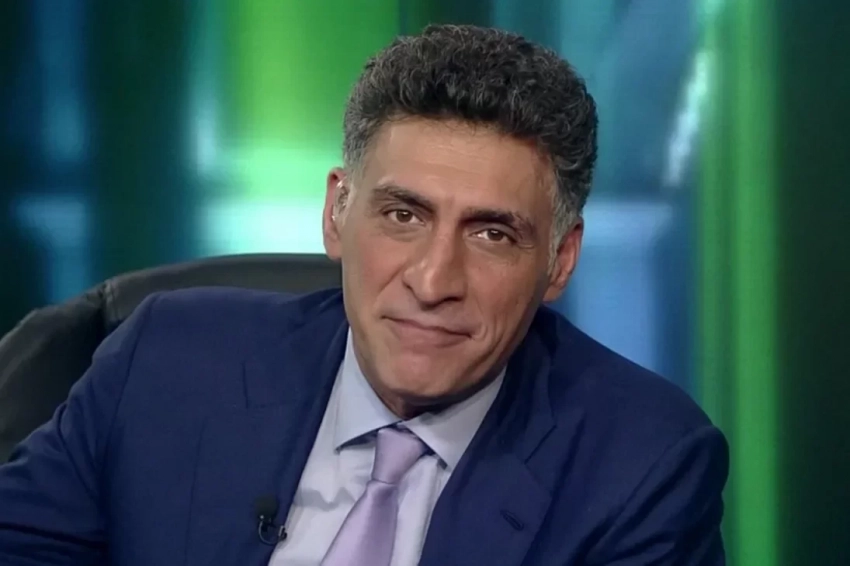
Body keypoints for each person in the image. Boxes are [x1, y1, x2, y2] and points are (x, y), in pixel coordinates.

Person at [0, 24, 728, 566]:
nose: (433, 282)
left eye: (492, 234)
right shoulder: (165, 363)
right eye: (403, 216)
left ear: (560, 260)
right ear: (336, 213)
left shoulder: (642, 466)